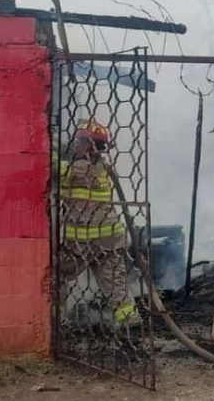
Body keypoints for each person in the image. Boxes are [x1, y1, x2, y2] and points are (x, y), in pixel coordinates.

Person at [59, 120, 140, 329]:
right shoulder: (102, 168)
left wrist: (45, 150)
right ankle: (130, 320)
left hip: (84, 241)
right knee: (114, 283)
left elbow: (56, 170)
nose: (76, 145)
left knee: (56, 273)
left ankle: (53, 320)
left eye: (81, 141)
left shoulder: (81, 169)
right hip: (110, 238)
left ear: (91, 146)